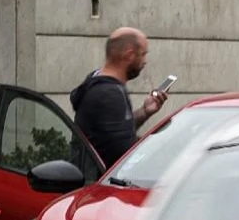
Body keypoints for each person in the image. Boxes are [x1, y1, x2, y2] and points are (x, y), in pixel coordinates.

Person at [69, 27, 166, 171]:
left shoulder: (97, 81)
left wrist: (144, 112)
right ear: (129, 55)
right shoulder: (109, 94)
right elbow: (125, 155)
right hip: (102, 188)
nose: (145, 62)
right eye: (143, 54)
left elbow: (115, 134)